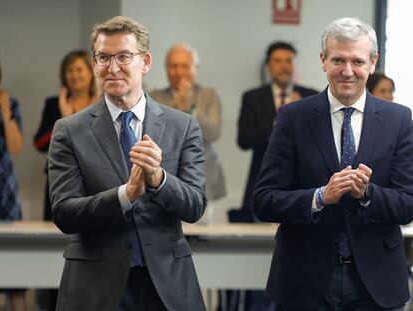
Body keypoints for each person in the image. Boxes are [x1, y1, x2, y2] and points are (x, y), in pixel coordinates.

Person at [47, 16, 207, 311]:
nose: (113, 67)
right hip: (96, 286)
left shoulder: (182, 126)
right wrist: (125, 195)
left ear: (145, 62)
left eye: (124, 56)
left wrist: (159, 179)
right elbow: (64, 212)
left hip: (167, 285)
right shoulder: (69, 130)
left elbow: (195, 205)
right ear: (95, 64)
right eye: (104, 58)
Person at [253, 17, 413, 310]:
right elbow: (264, 200)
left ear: (373, 62)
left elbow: (408, 204)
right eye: (338, 59)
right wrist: (319, 197)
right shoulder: (292, 118)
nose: (348, 71)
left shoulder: (399, 120)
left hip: (376, 283)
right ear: (323, 60)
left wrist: (368, 194)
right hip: (304, 280)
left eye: (357, 61)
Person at [237, 41, 318, 223]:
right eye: (277, 61)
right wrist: (280, 119)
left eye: (288, 61)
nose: (283, 66)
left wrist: (300, 115)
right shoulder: (252, 97)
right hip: (262, 176)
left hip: (303, 180)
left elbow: (319, 139)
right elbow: (244, 140)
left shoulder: (311, 96)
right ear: (268, 66)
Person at [150, 43, 226, 221]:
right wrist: (176, 111)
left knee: (202, 230)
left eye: (185, 66)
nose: (179, 72)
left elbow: (214, 133)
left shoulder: (209, 95)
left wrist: (191, 110)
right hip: (164, 173)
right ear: (166, 69)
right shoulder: (155, 96)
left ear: (195, 68)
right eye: (173, 66)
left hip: (203, 171)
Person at [34, 49, 99, 221]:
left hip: (95, 175)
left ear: (91, 72)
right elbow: (39, 144)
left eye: (79, 70)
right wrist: (65, 120)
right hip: (59, 175)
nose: (74, 75)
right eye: (69, 70)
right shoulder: (53, 104)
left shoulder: (103, 104)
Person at [0, 61, 26, 311]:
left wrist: (5, 110)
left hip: (4, 192)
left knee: (15, 278)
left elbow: (16, 146)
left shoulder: (10, 103)